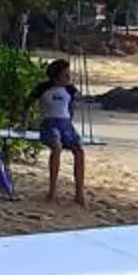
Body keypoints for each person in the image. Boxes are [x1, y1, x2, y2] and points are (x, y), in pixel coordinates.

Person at [33, 59, 87, 205]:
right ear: (56, 77)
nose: (69, 78)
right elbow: (26, 105)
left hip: (66, 125)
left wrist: (70, 123)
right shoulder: (43, 88)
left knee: (79, 150)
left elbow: (71, 108)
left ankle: (79, 193)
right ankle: (52, 190)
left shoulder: (70, 90)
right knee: (57, 147)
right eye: (66, 75)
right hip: (49, 124)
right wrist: (24, 123)